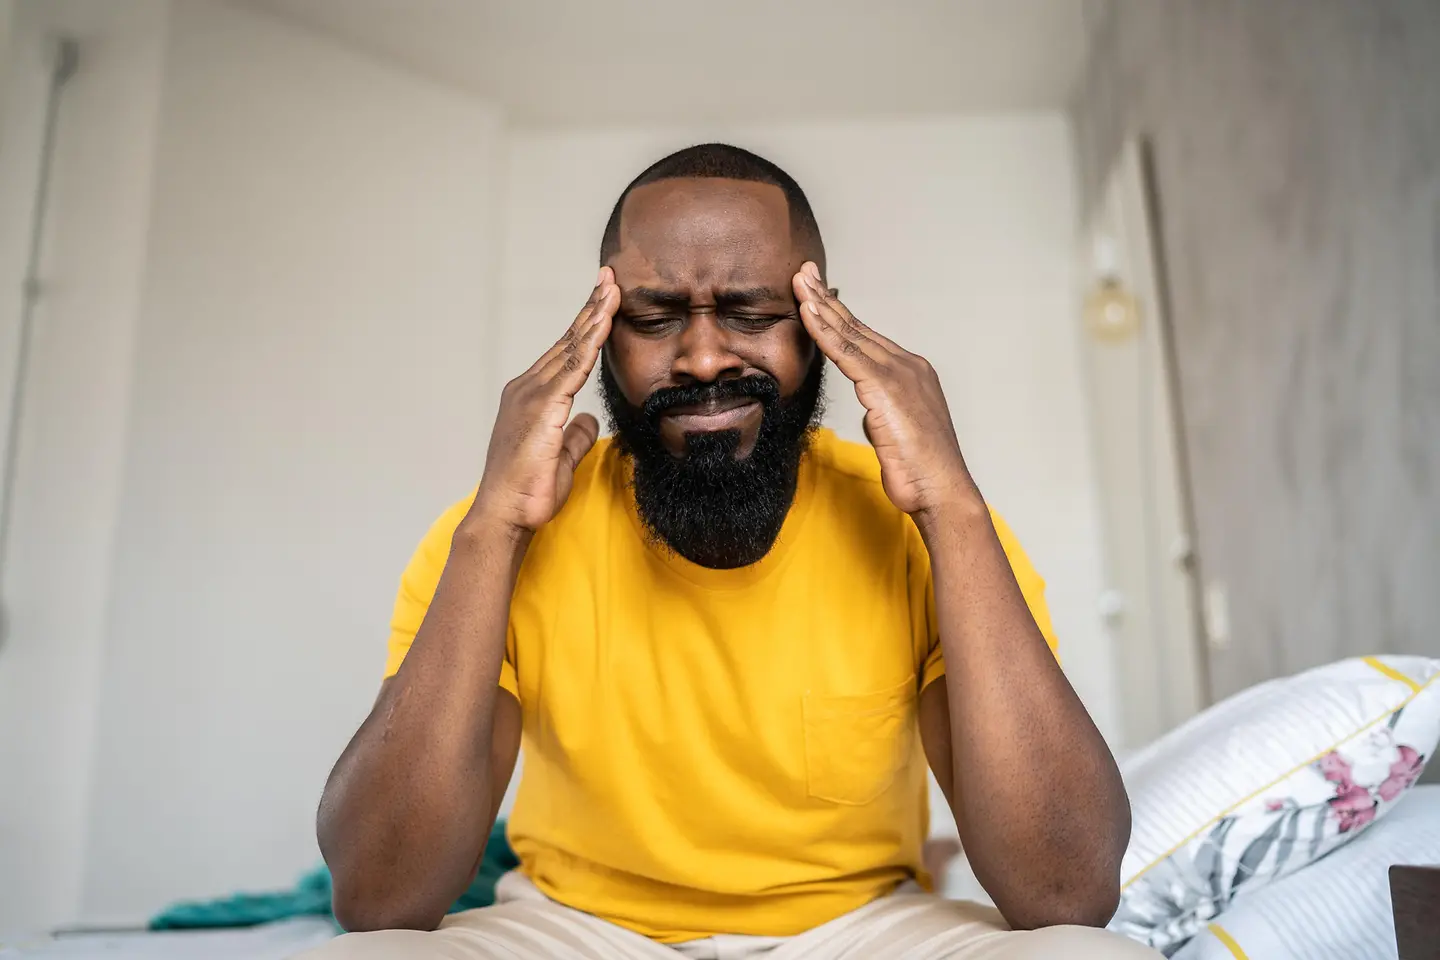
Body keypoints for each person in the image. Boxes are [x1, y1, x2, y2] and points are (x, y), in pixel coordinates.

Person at [304, 144, 1155, 960]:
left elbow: (1067, 893)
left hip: (859, 925)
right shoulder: (496, 533)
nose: (704, 355)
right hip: (574, 925)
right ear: (600, 332)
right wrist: (493, 529)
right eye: (653, 316)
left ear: (821, 326)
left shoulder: (925, 529)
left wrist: (955, 509)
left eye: (750, 313)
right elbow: (381, 899)